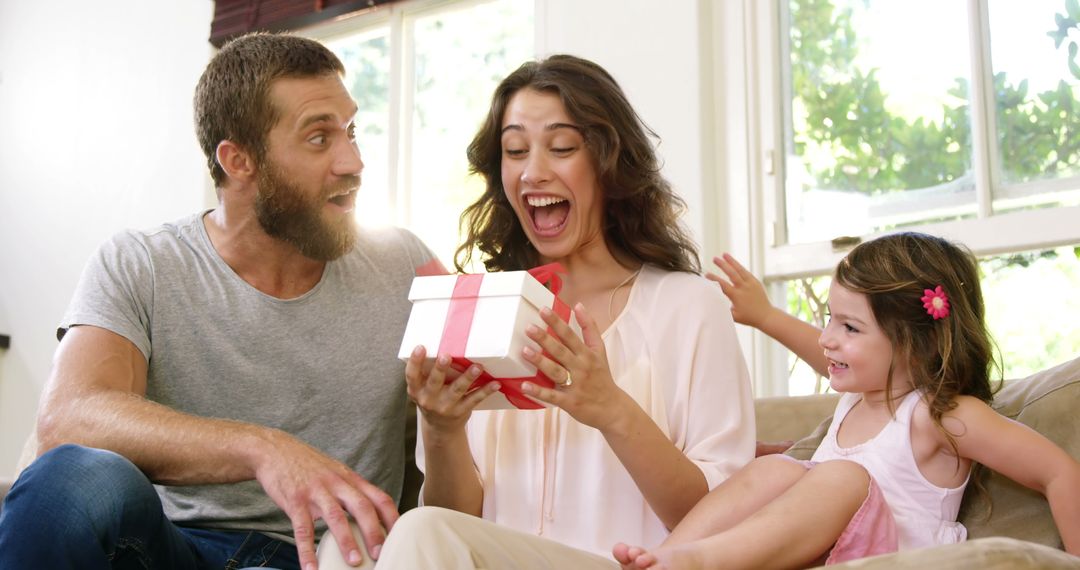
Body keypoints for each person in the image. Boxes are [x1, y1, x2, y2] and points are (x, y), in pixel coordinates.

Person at [0, 32, 442, 570]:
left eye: (351, 131)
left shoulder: (404, 262)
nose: (353, 161)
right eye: (319, 139)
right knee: (68, 480)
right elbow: (70, 418)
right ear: (238, 161)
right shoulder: (142, 263)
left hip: (332, 558)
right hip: (174, 550)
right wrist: (261, 449)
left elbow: (494, 372)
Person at [346, 54, 756, 569]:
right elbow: (454, 526)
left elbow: (716, 518)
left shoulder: (688, 306)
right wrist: (442, 427)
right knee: (347, 551)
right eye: (515, 150)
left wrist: (611, 407)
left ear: (609, 163)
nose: (533, 171)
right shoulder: (480, 311)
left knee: (416, 530)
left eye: (561, 148)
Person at [613, 232, 1080, 569]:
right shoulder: (860, 394)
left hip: (889, 560)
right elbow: (820, 348)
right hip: (817, 554)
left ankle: (698, 562)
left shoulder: (940, 416)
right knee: (777, 468)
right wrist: (764, 315)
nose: (829, 340)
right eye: (831, 319)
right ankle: (671, 555)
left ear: (917, 345)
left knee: (839, 477)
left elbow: (1057, 471)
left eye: (850, 327)